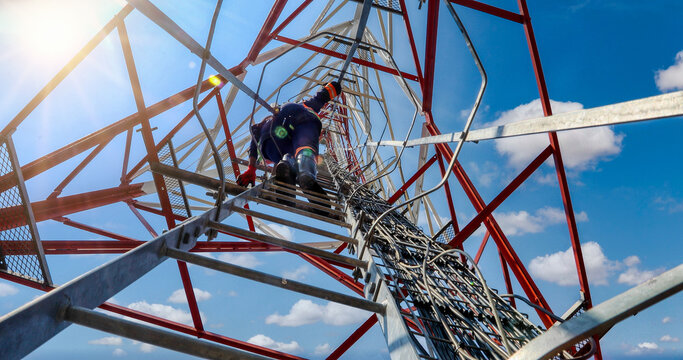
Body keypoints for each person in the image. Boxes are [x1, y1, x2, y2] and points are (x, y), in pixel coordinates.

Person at [237, 81, 342, 207]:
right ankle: (306, 174)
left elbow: (253, 145)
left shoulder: (263, 129)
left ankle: (288, 166)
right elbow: (320, 97)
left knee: (288, 155)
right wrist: (334, 87)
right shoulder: (304, 106)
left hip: (273, 137)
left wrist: (251, 168)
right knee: (304, 147)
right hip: (299, 114)